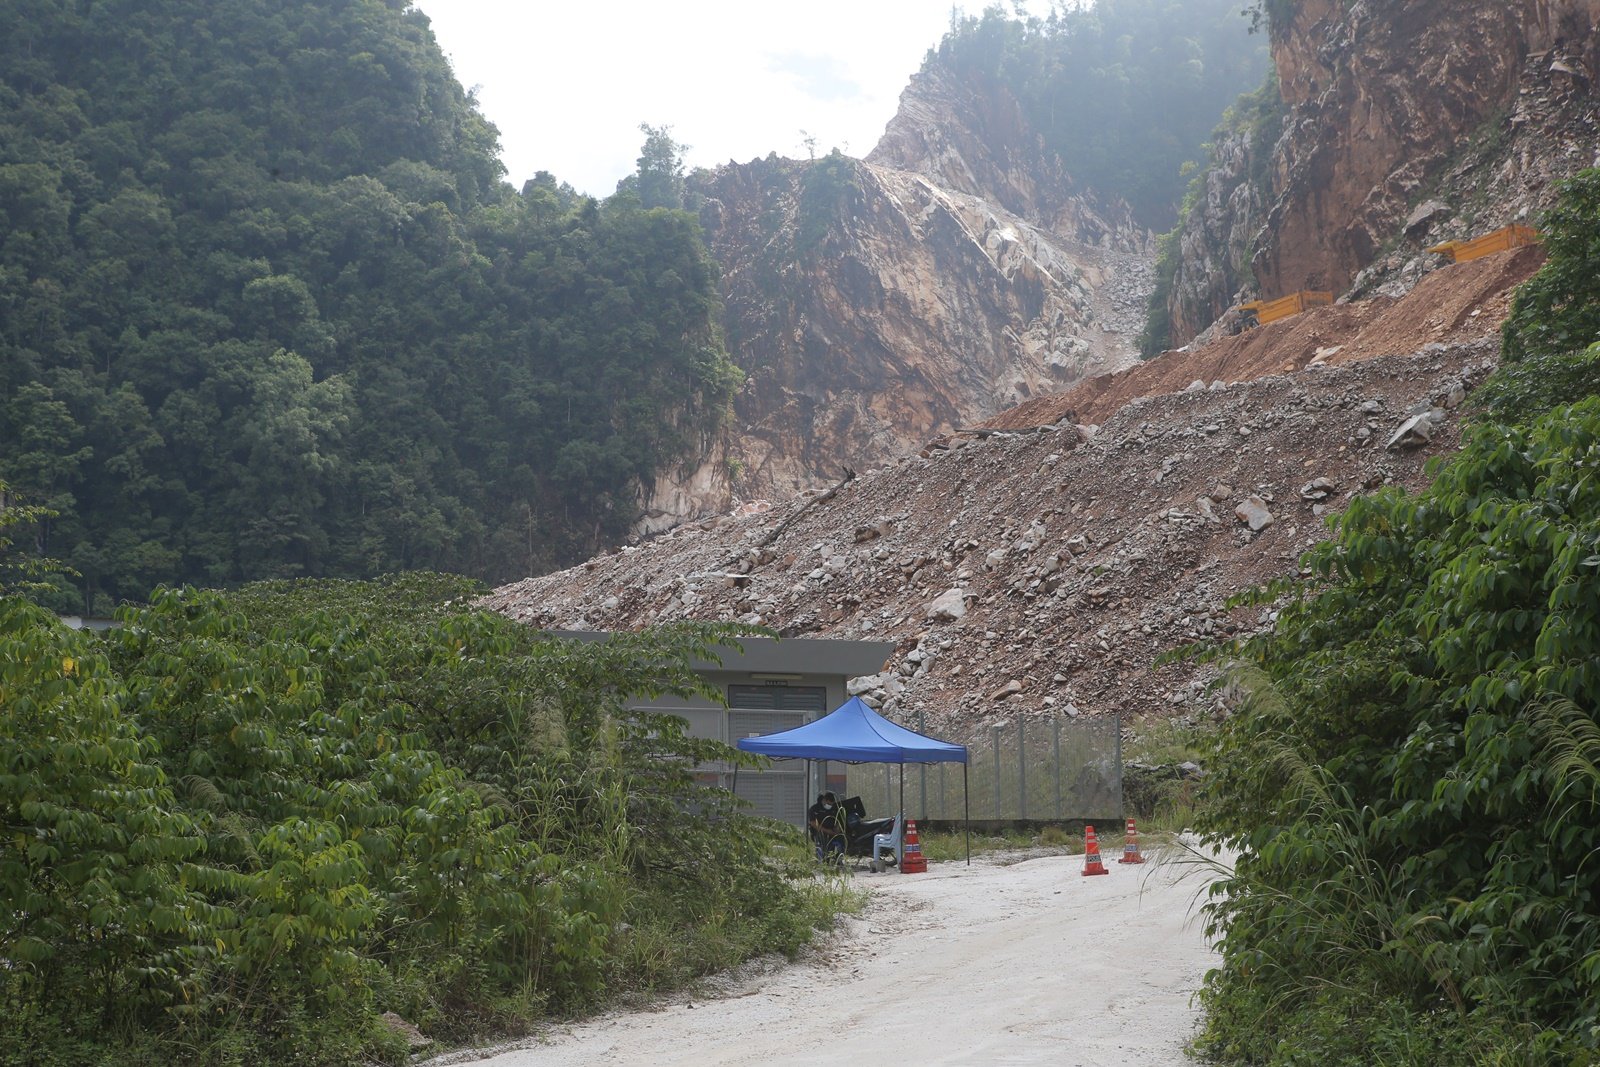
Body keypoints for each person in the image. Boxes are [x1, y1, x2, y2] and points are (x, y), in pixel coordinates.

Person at [807, 791, 844, 860]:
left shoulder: (833, 808)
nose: (830, 805)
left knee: (841, 839)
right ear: (824, 800)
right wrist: (827, 831)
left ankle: (838, 858)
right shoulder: (815, 809)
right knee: (822, 841)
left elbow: (837, 821)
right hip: (819, 832)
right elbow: (813, 823)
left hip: (832, 832)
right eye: (828, 803)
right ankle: (822, 858)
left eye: (831, 804)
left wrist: (837, 830)